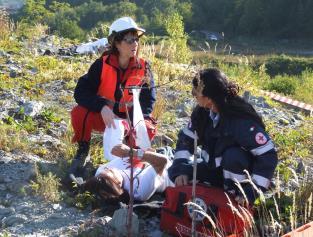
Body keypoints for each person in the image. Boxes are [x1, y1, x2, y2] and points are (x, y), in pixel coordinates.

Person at [168, 68, 278, 205]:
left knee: (234, 156)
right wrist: (180, 171)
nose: (193, 94)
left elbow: (268, 155)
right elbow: (186, 141)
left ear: (208, 97)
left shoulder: (240, 119)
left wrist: (252, 191)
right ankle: (215, 194)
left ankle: (235, 200)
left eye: (195, 91)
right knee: (186, 172)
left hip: (240, 175)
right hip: (215, 170)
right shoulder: (201, 113)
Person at [67, 17, 156, 181]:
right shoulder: (101, 64)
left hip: (130, 120)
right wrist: (101, 106)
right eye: (129, 40)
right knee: (79, 113)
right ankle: (82, 152)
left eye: (136, 39)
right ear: (116, 43)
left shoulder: (144, 67)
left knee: (148, 127)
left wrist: (135, 121)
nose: (135, 44)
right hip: (106, 119)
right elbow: (81, 92)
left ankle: (131, 161)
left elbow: (148, 102)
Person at [76, 144, 174, 202]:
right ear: (117, 184)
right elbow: (163, 161)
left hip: (154, 153)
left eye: (106, 170)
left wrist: (125, 150)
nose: (109, 169)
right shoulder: (139, 189)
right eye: (110, 172)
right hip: (174, 166)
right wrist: (131, 152)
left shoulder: (101, 174)